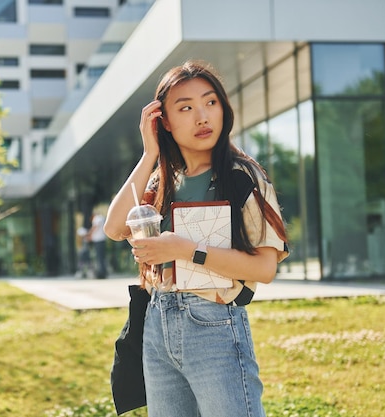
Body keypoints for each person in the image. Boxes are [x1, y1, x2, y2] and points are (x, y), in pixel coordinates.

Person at [104, 60, 289, 417]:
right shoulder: (161, 183)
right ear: (165, 123)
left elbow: (265, 269)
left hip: (215, 325)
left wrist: (186, 251)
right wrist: (149, 154)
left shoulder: (242, 177)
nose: (202, 117)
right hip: (158, 324)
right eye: (185, 108)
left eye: (210, 102)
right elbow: (114, 228)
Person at [88, 211, 108, 278]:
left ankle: (101, 273)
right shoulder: (102, 218)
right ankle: (103, 271)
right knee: (102, 257)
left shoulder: (96, 218)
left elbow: (95, 227)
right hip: (102, 239)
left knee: (99, 257)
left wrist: (89, 234)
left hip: (98, 240)